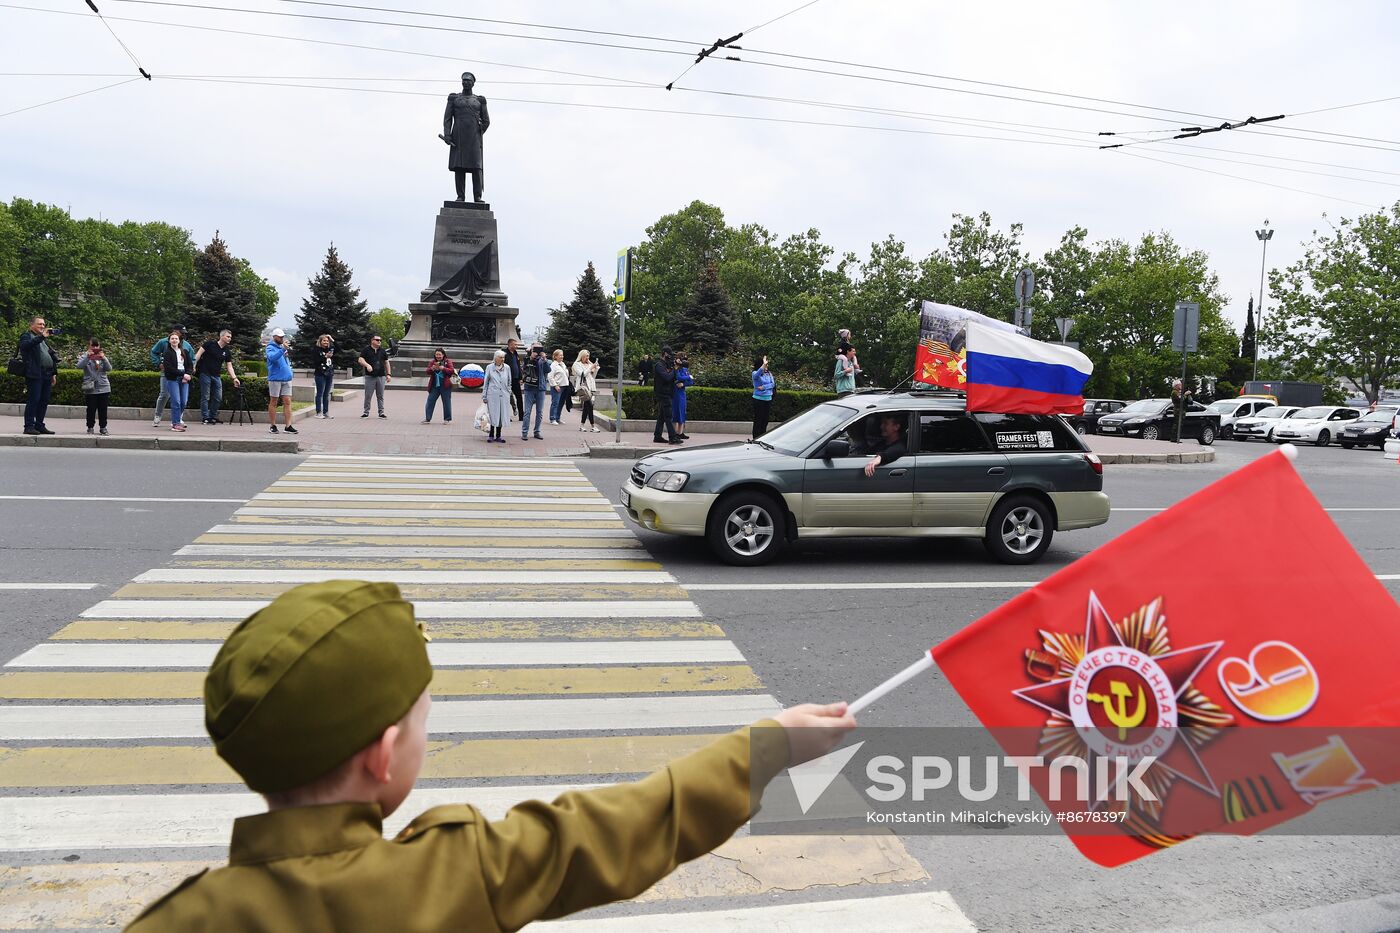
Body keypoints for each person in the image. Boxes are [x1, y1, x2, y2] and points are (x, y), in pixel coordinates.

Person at [124, 580, 854, 932]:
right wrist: (771, 746)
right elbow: (623, 825)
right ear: (383, 756)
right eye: (420, 717)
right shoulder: (448, 874)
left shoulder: (173, 921)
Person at [442, 71, 490, 203]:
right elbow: (447, 118)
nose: (466, 83)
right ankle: (460, 196)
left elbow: (486, 121)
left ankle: (477, 196)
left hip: (474, 139)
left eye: (469, 81)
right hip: (458, 137)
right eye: (464, 80)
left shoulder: (480, 100)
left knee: (476, 167)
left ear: (473, 83)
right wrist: (447, 134)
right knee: (459, 167)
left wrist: (479, 132)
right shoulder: (454, 98)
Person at [18, 315, 58, 436]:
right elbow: (24, 346)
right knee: (33, 400)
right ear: (32, 325)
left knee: (44, 400)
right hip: (35, 373)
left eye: (43, 324)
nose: (42, 326)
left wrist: (54, 373)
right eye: (40, 324)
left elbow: (50, 356)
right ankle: (29, 426)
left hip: (47, 373)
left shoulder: (43, 339)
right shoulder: (27, 336)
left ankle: (39, 425)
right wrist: (41, 337)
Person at [149, 327, 195, 428]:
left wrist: (189, 373)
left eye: (183, 333)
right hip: (168, 374)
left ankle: (178, 418)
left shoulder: (186, 345)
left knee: (182, 400)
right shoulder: (163, 342)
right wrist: (158, 363)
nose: (183, 334)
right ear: (175, 331)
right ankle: (158, 415)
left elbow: (192, 359)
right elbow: (153, 352)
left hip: (183, 375)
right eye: (181, 332)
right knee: (164, 394)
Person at [194, 329, 241, 426]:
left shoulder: (226, 351)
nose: (230, 339)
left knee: (218, 397)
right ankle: (205, 417)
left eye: (230, 337)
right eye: (228, 336)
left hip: (216, 376)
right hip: (205, 373)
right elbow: (198, 355)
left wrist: (234, 378)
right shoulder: (209, 344)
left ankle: (212, 416)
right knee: (205, 396)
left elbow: (229, 366)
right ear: (221, 336)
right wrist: (193, 366)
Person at [264, 328, 297, 436]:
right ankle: (273, 426)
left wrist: (290, 370)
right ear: (274, 337)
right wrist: (282, 349)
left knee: (287, 401)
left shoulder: (281, 348)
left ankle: (288, 426)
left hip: (286, 378)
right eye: (279, 337)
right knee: (274, 401)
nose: (282, 338)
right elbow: (272, 358)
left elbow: (286, 362)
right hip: (275, 378)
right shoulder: (270, 347)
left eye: (282, 336)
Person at [77, 338, 113, 435]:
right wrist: (87, 357)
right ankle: (90, 427)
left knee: (103, 409)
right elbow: (79, 366)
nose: (95, 348)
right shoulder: (85, 356)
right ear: (89, 346)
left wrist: (104, 358)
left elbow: (109, 368)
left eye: (97, 346)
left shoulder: (102, 356)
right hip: (90, 387)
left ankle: (103, 427)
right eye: (93, 346)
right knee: (91, 409)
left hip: (104, 386)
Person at [650, 347, 682, 445]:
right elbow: (667, 377)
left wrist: (675, 368)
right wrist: (674, 369)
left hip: (668, 392)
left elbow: (673, 377)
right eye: (668, 354)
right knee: (668, 415)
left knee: (662, 416)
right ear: (664, 354)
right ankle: (672, 437)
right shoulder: (659, 365)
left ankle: (657, 436)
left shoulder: (666, 365)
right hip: (663, 393)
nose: (670, 356)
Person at [358, 335, 392, 418]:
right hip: (370, 376)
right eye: (377, 340)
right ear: (372, 341)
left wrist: (388, 374)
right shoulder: (366, 350)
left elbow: (386, 362)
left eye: (380, 340)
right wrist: (367, 365)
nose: (379, 341)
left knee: (380, 395)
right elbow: (360, 359)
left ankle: (381, 412)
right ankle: (366, 412)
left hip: (381, 376)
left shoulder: (382, 351)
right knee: (368, 395)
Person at [482, 349, 511, 443]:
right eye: (500, 357)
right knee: (493, 414)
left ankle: (498, 435)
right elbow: (486, 382)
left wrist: (508, 391)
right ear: (496, 358)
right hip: (492, 395)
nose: (502, 359)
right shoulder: (489, 367)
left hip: (503, 394)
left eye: (503, 357)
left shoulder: (507, 367)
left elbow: (509, 381)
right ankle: (491, 434)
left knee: (501, 414)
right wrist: (484, 395)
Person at [521, 343, 548, 440]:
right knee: (527, 412)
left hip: (540, 389)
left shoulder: (542, 360)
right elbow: (523, 369)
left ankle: (537, 431)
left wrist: (544, 359)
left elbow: (547, 370)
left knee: (539, 413)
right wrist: (530, 357)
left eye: (538, 349)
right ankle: (524, 432)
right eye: (535, 349)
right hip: (529, 389)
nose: (536, 352)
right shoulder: (527, 358)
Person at [422, 348, 456, 424]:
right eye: (436, 354)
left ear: (443, 355)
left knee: (446, 402)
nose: (438, 356)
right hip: (435, 386)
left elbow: (452, 371)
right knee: (430, 401)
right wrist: (432, 369)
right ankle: (427, 418)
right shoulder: (432, 362)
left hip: (445, 385)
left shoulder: (447, 362)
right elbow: (427, 371)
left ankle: (447, 419)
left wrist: (443, 368)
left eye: (439, 354)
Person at [572, 349, 600, 433]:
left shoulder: (589, 364)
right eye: (586, 356)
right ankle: (593, 426)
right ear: (582, 356)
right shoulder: (577, 364)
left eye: (588, 356)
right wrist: (591, 367)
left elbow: (593, 376)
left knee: (586, 407)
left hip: (590, 388)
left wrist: (595, 368)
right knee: (590, 406)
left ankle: (582, 425)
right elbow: (582, 374)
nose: (588, 358)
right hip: (583, 388)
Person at [312, 334, 336, 419]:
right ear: (320, 341)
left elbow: (337, 348)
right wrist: (325, 357)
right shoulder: (316, 349)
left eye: (327, 341)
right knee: (320, 393)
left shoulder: (329, 349)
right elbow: (316, 361)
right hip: (320, 373)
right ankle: (318, 412)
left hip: (329, 373)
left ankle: (326, 412)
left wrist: (331, 339)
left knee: (327, 393)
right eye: (324, 341)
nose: (326, 342)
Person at [751, 355, 775, 439]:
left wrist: (764, 387)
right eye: (765, 365)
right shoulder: (755, 373)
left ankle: (762, 437)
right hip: (758, 399)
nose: (767, 366)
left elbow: (773, 384)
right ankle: (756, 438)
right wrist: (763, 364)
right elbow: (757, 374)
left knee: (765, 420)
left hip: (768, 399)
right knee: (758, 420)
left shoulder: (769, 374)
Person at [673, 352, 693, 441]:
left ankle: (680, 433)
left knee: (682, 411)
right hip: (675, 393)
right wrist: (688, 377)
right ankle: (675, 432)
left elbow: (691, 382)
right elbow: (678, 377)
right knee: (676, 412)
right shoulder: (676, 369)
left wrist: (684, 383)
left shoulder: (684, 369)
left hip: (682, 392)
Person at [547, 348, 570, 425]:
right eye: (560, 355)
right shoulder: (553, 365)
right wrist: (555, 385)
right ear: (555, 356)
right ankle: (552, 418)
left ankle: (558, 418)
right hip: (557, 386)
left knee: (561, 403)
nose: (562, 356)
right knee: (555, 403)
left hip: (565, 386)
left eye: (562, 355)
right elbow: (550, 376)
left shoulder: (563, 364)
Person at [503, 337, 523, 421]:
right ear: (510, 345)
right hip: (506, 380)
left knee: (519, 397)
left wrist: (520, 378)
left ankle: (522, 416)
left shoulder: (515, 353)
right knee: (506, 398)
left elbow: (518, 366)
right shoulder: (504, 353)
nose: (517, 346)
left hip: (515, 379)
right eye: (515, 344)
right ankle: (506, 415)